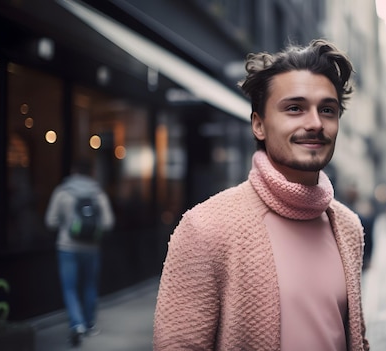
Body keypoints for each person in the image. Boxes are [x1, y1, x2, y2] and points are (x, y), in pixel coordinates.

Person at [154, 39, 370, 350]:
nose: (315, 123)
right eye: (294, 108)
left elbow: (356, 339)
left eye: (327, 110)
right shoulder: (205, 227)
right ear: (259, 124)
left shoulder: (348, 228)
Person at [45, 158, 114, 347]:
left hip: (67, 247)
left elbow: (50, 221)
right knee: (90, 286)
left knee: (70, 288)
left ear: (73, 171)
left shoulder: (62, 192)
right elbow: (108, 222)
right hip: (92, 248)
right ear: (90, 172)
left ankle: (77, 325)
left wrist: (67, 226)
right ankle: (90, 324)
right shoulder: (98, 193)